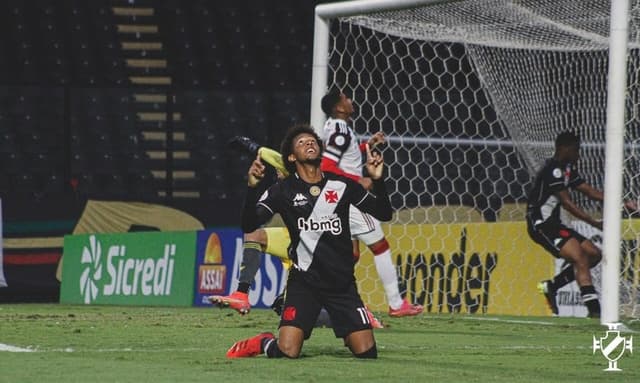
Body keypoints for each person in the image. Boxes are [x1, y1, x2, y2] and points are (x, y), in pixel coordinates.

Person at [226, 124, 391, 359]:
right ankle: (264, 342)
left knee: (367, 353)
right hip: (304, 283)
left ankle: (348, 326)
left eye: (312, 141)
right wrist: (252, 188)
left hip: (342, 284)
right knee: (287, 351)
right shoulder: (282, 190)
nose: (309, 143)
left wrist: (379, 180)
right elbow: (249, 225)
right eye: (302, 142)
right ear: (292, 157)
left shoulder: (342, 185)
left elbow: (383, 213)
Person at [319, 89, 423, 316]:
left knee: (350, 254)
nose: (350, 100)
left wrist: (368, 145)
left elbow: (346, 155)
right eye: (346, 98)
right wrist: (359, 180)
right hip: (351, 200)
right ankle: (396, 304)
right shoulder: (341, 131)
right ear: (339, 108)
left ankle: (325, 298)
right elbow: (327, 167)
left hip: (337, 198)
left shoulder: (335, 128)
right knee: (380, 246)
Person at [526, 131, 637, 318]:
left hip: (555, 224)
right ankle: (594, 310)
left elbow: (590, 192)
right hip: (541, 225)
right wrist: (594, 223)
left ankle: (551, 286)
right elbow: (568, 204)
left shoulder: (567, 170)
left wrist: (624, 204)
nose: (579, 155)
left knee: (594, 254)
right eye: (576, 150)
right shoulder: (553, 170)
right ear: (564, 148)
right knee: (580, 258)